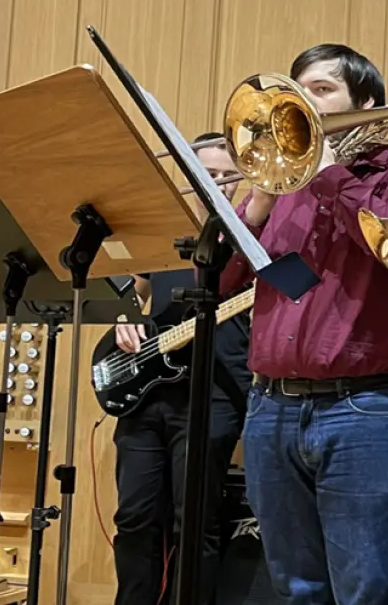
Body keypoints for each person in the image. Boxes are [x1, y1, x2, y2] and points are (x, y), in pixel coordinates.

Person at [220, 43, 388, 605]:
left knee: (368, 591)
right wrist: (251, 213)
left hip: (369, 412)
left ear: (364, 102)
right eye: (298, 91)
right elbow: (224, 285)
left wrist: (329, 175)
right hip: (272, 409)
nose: (304, 102)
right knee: (296, 590)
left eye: (321, 90)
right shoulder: (281, 192)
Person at [112, 132, 251, 605]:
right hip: (146, 391)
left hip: (215, 393)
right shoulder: (159, 231)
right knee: (134, 518)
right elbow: (130, 290)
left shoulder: (252, 234)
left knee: (194, 523)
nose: (216, 184)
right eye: (205, 174)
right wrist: (124, 317)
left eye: (227, 176)